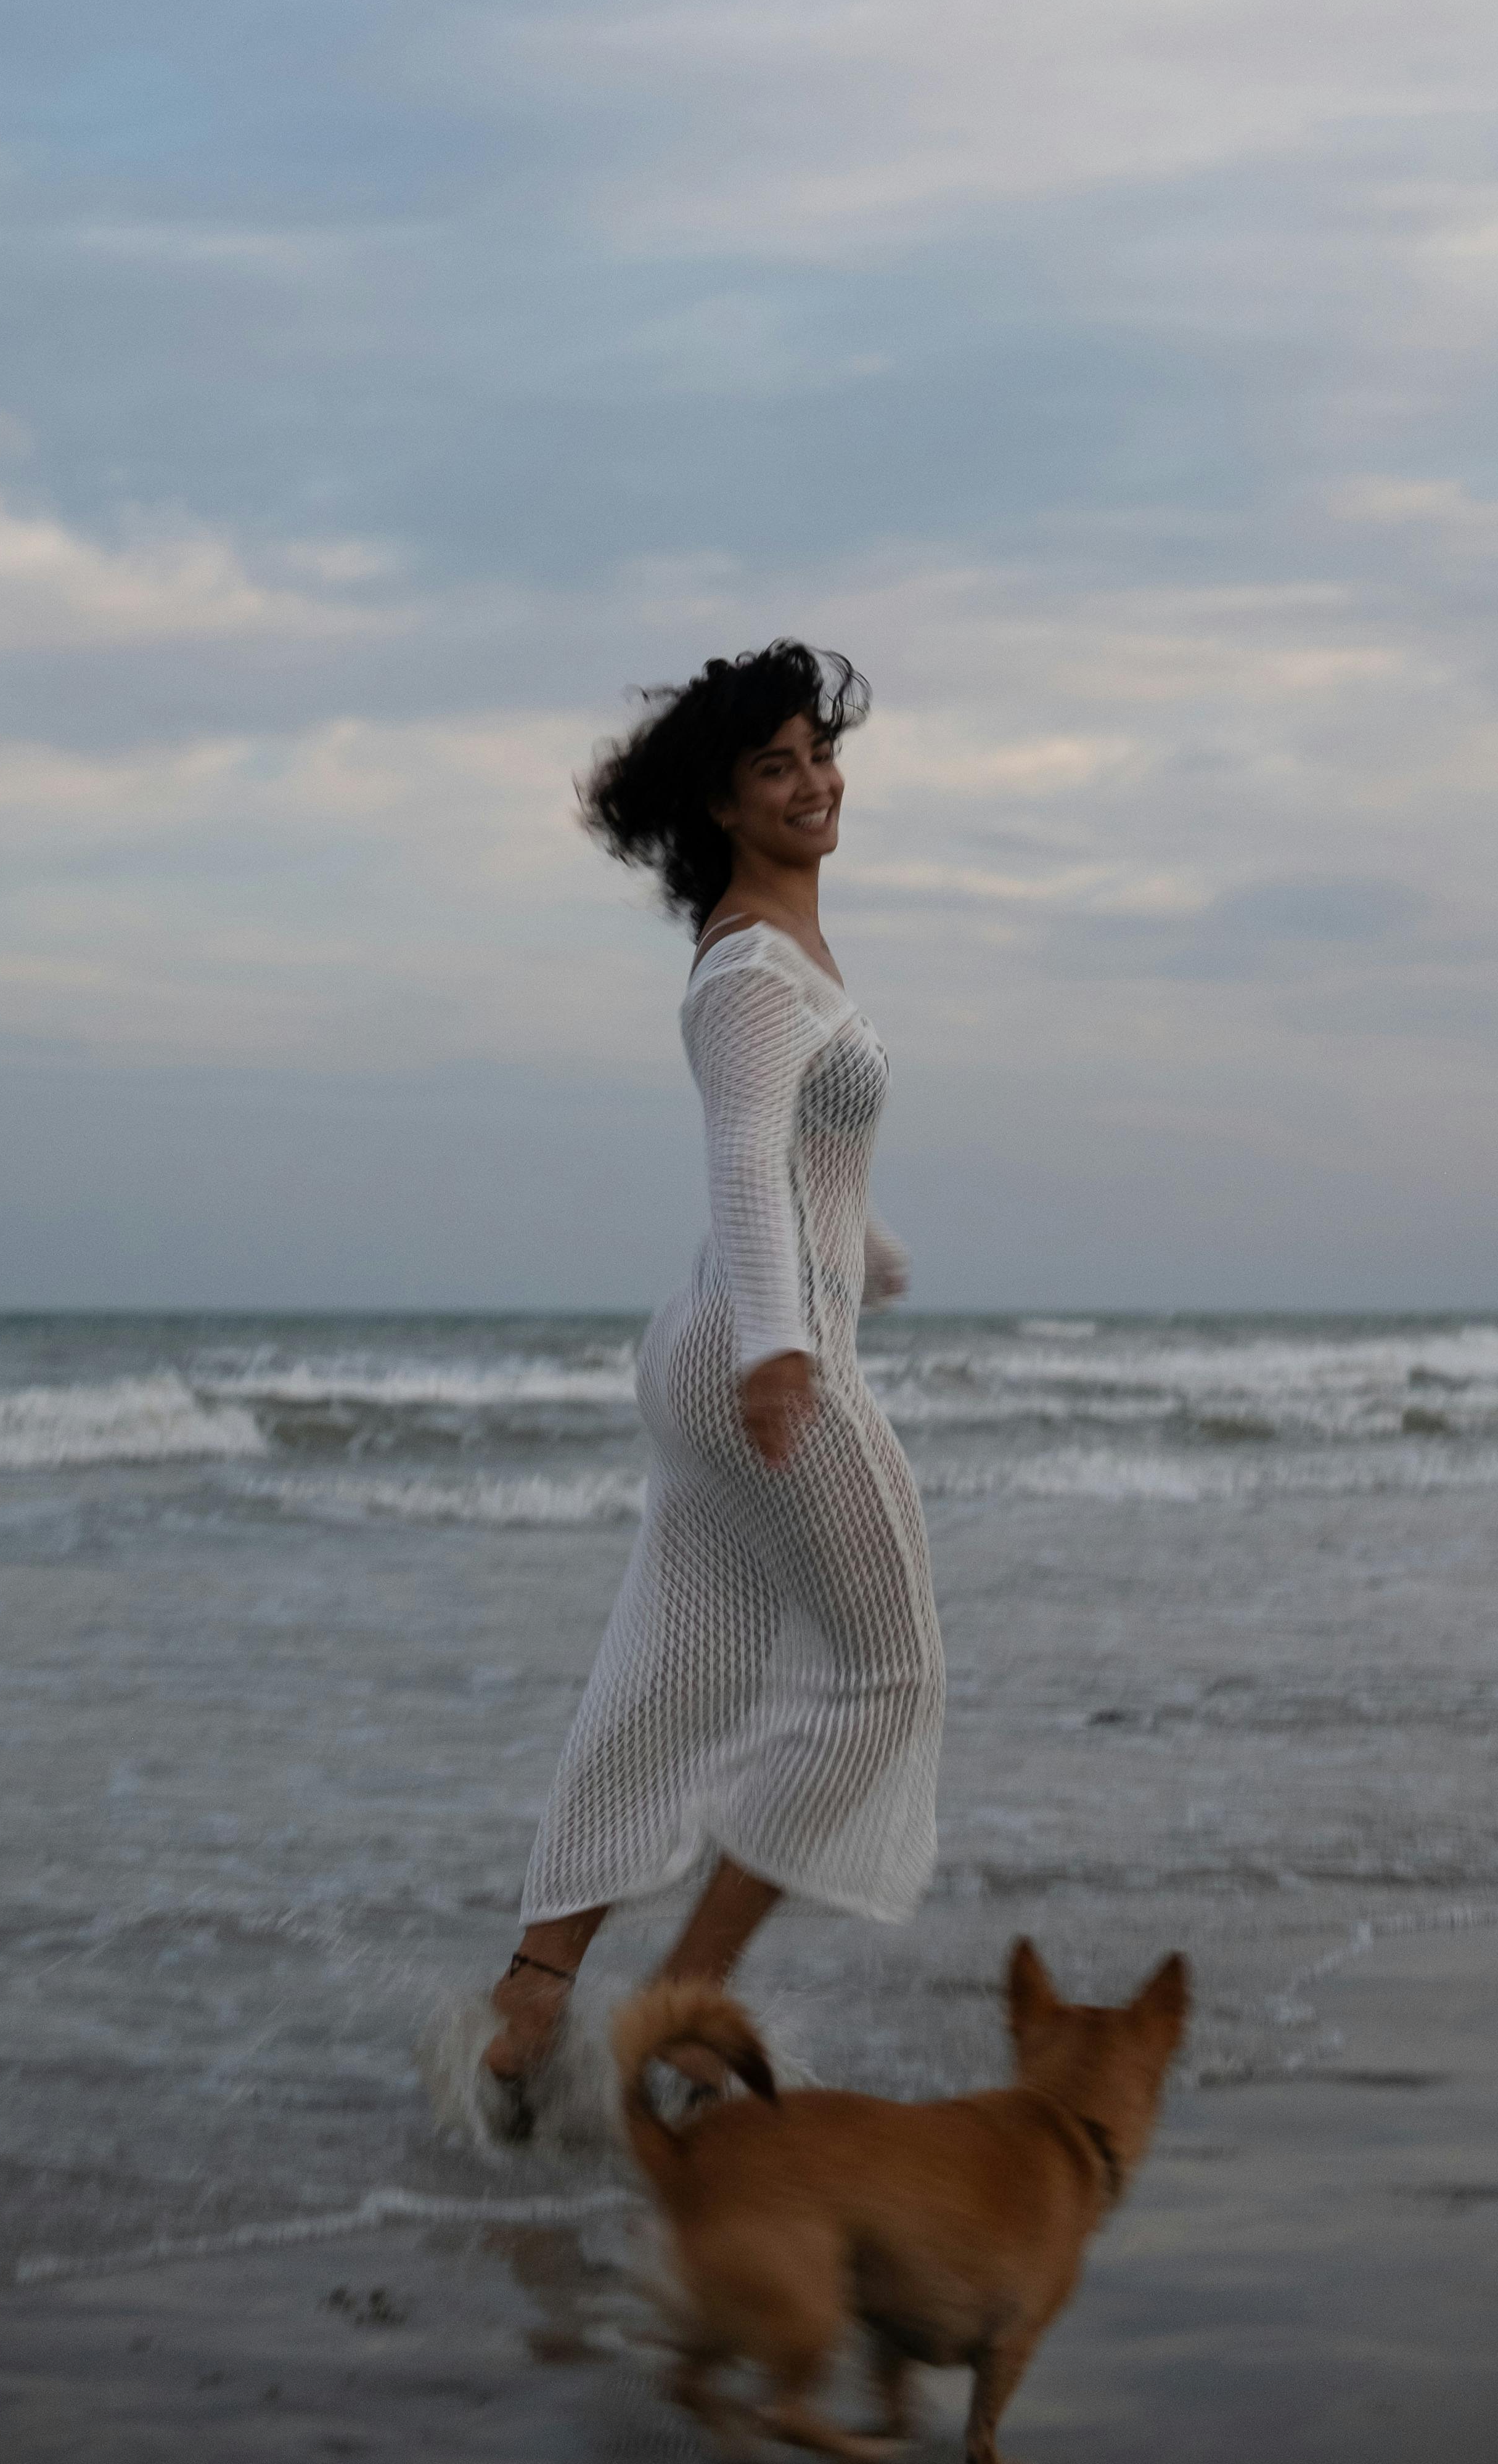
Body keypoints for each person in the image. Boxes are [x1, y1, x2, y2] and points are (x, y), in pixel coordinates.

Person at [481, 642, 945, 2127]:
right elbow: (742, 1153)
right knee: (889, 1675)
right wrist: (781, 1347)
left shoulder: (778, 953)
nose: (815, 783)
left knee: (670, 1682)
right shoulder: (751, 964)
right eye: (776, 767)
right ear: (725, 807)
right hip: (755, 1347)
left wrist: (859, 1247)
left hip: (728, 1334)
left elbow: (799, 1149)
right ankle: (683, 2021)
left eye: (817, 752)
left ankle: (527, 2007)